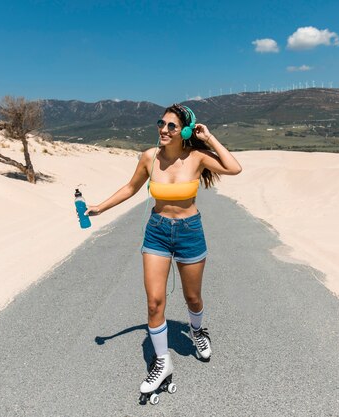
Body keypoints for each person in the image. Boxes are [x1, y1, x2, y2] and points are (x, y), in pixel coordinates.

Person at [85, 104, 242, 400]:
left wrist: (208, 138)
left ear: (184, 131)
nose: (163, 129)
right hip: (157, 231)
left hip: (189, 232)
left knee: (192, 297)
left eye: (171, 126)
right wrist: (99, 208)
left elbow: (234, 168)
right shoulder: (149, 157)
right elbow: (131, 188)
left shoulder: (196, 157)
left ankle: (197, 331)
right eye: (161, 123)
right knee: (154, 303)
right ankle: (162, 362)